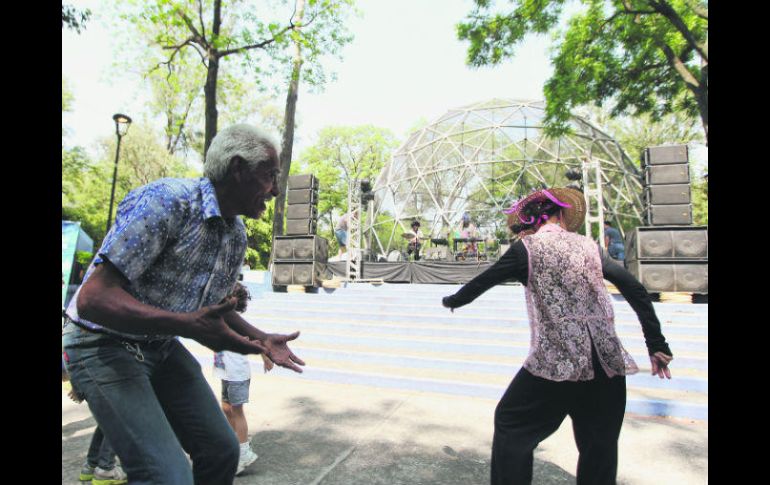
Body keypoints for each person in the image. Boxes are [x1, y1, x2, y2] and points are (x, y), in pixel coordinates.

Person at [62, 124, 306, 485]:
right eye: (269, 176)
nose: (275, 190)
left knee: (223, 450)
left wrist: (261, 339)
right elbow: (93, 298)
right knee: (166, 475)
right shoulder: (168, 201)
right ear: (237, 169)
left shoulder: (234, 233)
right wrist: (182, 323)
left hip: (158, 344)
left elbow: (211, 309)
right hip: (99, 344)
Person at [441, 187, 673, 485]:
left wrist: (453, 301)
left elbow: (481, 283)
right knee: (599, 447)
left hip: (558, 363)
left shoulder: (526, 249)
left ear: (532, 220)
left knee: (511, 423)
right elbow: (636, 290)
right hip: (607, 364)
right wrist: (657, 344)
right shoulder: (590, 247)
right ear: (561, 214)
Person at [213, 282, 274, 476]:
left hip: (237, 373)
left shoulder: (236, 323)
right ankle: (235, 444)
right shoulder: (221, 319)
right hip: (225, 371)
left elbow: (257, 342)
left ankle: (244, 451)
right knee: (226, 407)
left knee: (237, 411)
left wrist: (266, 358)